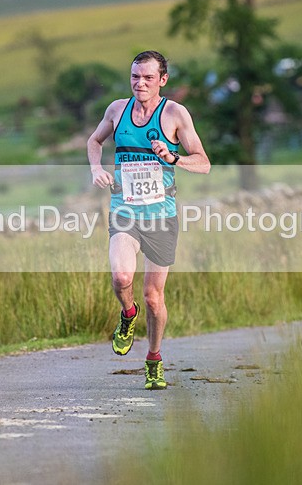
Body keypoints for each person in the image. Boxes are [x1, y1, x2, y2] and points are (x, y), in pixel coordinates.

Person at [87, 50, 210, 390]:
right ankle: (128, 314)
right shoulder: (117, 109)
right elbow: (94, 141)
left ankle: (153, 358)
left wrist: (173, 157)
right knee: (121, 276)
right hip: (124, 210)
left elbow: (204, 162)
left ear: (163, 80)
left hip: (161, 216)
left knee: (154, 297)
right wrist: (96, 167)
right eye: (135, 77)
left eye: (148, 78)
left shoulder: (174, 113)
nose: (140, 83)